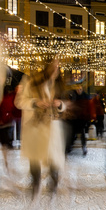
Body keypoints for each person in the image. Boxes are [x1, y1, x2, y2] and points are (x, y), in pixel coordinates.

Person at [15, 56, 66, 199]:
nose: (57, 69)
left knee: (54, 156)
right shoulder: (31, 81)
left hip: (52, 126)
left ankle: (53, 182)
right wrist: (35, 102)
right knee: (35, 156)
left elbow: (65, 104)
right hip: (35, 125)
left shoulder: (58, 84)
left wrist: (60, 104)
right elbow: (19, 101)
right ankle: (36, 183)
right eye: (54, 66)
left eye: (58, 66)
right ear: (47, 67)